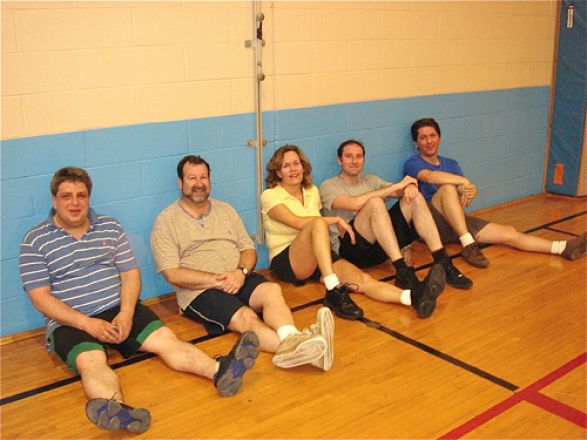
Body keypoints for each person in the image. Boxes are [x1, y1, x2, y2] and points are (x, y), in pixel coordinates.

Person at [19, 167, 259, 435]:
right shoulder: (34, 241)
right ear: (54, 200)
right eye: (66, 196)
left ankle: (219, 371)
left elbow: (130, 275)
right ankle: (116, 410)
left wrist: (126, 313)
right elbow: (40, 298)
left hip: (118, 307)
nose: (74, 203)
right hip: (71, 320)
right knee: (92, 360)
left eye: (81, 195)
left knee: (167, 340)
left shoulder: (110, 227)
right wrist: (87, 323)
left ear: (89, 197)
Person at [151, 155, 334, 372]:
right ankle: (303, 351)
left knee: (271, 290)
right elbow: (172, 274)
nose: (199, 183)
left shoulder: (226, 210)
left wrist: (241, 271)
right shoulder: (166, 221)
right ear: (181, 183)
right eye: (192, 178)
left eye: (204, 177)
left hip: (236, 275)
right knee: (245, 317)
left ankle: (292, 338)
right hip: (200, 290)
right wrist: (217, 281)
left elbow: (248, 249)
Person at [261, 145, 446, 320]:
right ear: (278, 172)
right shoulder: (270, 195)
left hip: (319, 255)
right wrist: (334, 219)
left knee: (363, 280)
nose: (293, 169)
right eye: (286, 166)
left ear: (303, 167)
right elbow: (299, 223)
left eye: (296, 163)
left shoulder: (311, 191)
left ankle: (413, 297)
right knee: (317, 224)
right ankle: (333, 289)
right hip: (288, 259)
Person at [404, 117, 587, 266]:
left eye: (432, 135)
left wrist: (468, 192)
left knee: (508, 233)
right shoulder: (413, 163)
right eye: (423, 138)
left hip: (456, 224)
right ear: (416, 143)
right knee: (446, 189)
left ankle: (561, 247)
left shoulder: (451, 164)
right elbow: (428, 177)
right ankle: (468, 245)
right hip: (430, 225)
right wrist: (462, 181)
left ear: (439, 137)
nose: (429, 141)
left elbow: (462, 197)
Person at [319, 139, 472, 294]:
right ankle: (402, 271)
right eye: (349, 156)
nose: (354, 161)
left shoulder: (371, 180)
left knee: (415, 198)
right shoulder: (328, 186)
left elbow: (397, 190)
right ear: (339, 160)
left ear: (364, 159)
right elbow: (355, 204)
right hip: (350, 251)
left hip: (380, 248)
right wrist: (397, 187)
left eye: (359, 156)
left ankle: (443, 262)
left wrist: (409, 187)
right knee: (375, 203)